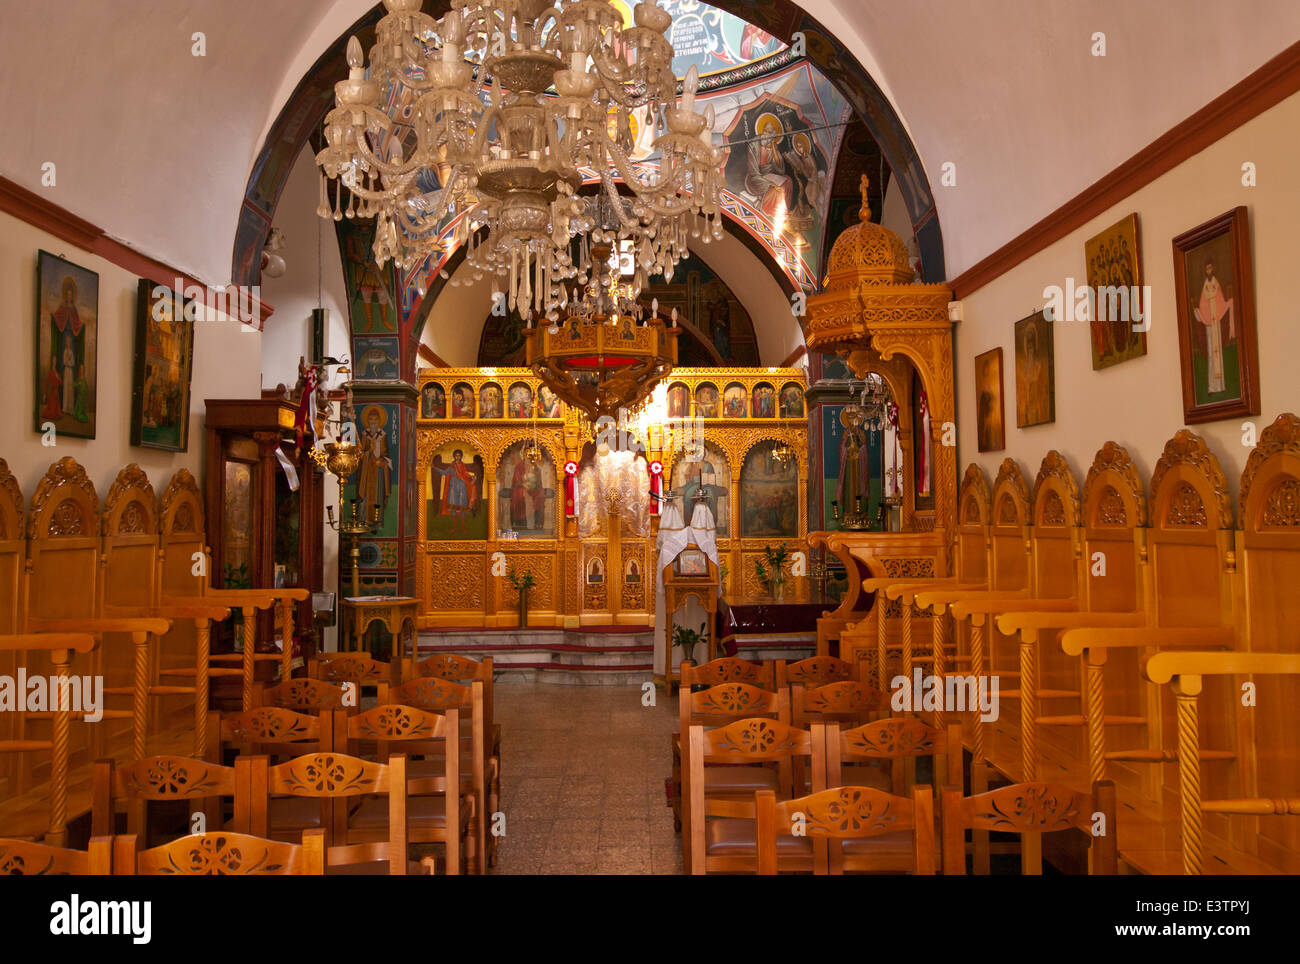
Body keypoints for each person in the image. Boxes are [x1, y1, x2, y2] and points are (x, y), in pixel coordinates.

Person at [1193, 257, 1233, 395]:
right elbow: (1203, 304)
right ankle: (1212, 387)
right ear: (1205, 271)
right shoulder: (1205, 287)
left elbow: (1221, 301)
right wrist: (1199, 312)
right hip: (1209, 324)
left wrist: (1225, 306)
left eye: (1210, 268)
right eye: (1207, 269)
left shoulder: (1217, 285)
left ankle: (1221, 386)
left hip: (1216, 323)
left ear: (1213, 269)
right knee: (1211, 355)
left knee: (1218, 354)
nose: (1209, 271)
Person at [432, 449, 480, 535]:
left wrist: (472, 478)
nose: (457, 457)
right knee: (453, 509)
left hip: (462, 488)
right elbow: (444, 472)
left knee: (462, 509)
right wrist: (435, 468)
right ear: (454, 456)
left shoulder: (463, 466)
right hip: (453, 489)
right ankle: (454, 527)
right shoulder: (452, 466)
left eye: (459, 455)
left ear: (461, 456)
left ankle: (463, 527)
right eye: (456, 455)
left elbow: (466, 475)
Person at [357, 406, 392, 524]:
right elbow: (361, 451)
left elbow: (386, 453)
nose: (373, 422)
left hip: (378, 470)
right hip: (367, 469)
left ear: (378, 421)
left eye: (375, 420)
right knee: (366, 494)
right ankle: (364, 520)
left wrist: (381, 461)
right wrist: (368, 453)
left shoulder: (382, 434)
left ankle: (377, 521)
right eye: (371, 420)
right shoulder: (364, 434)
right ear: (367, 421)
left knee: (378, 494)